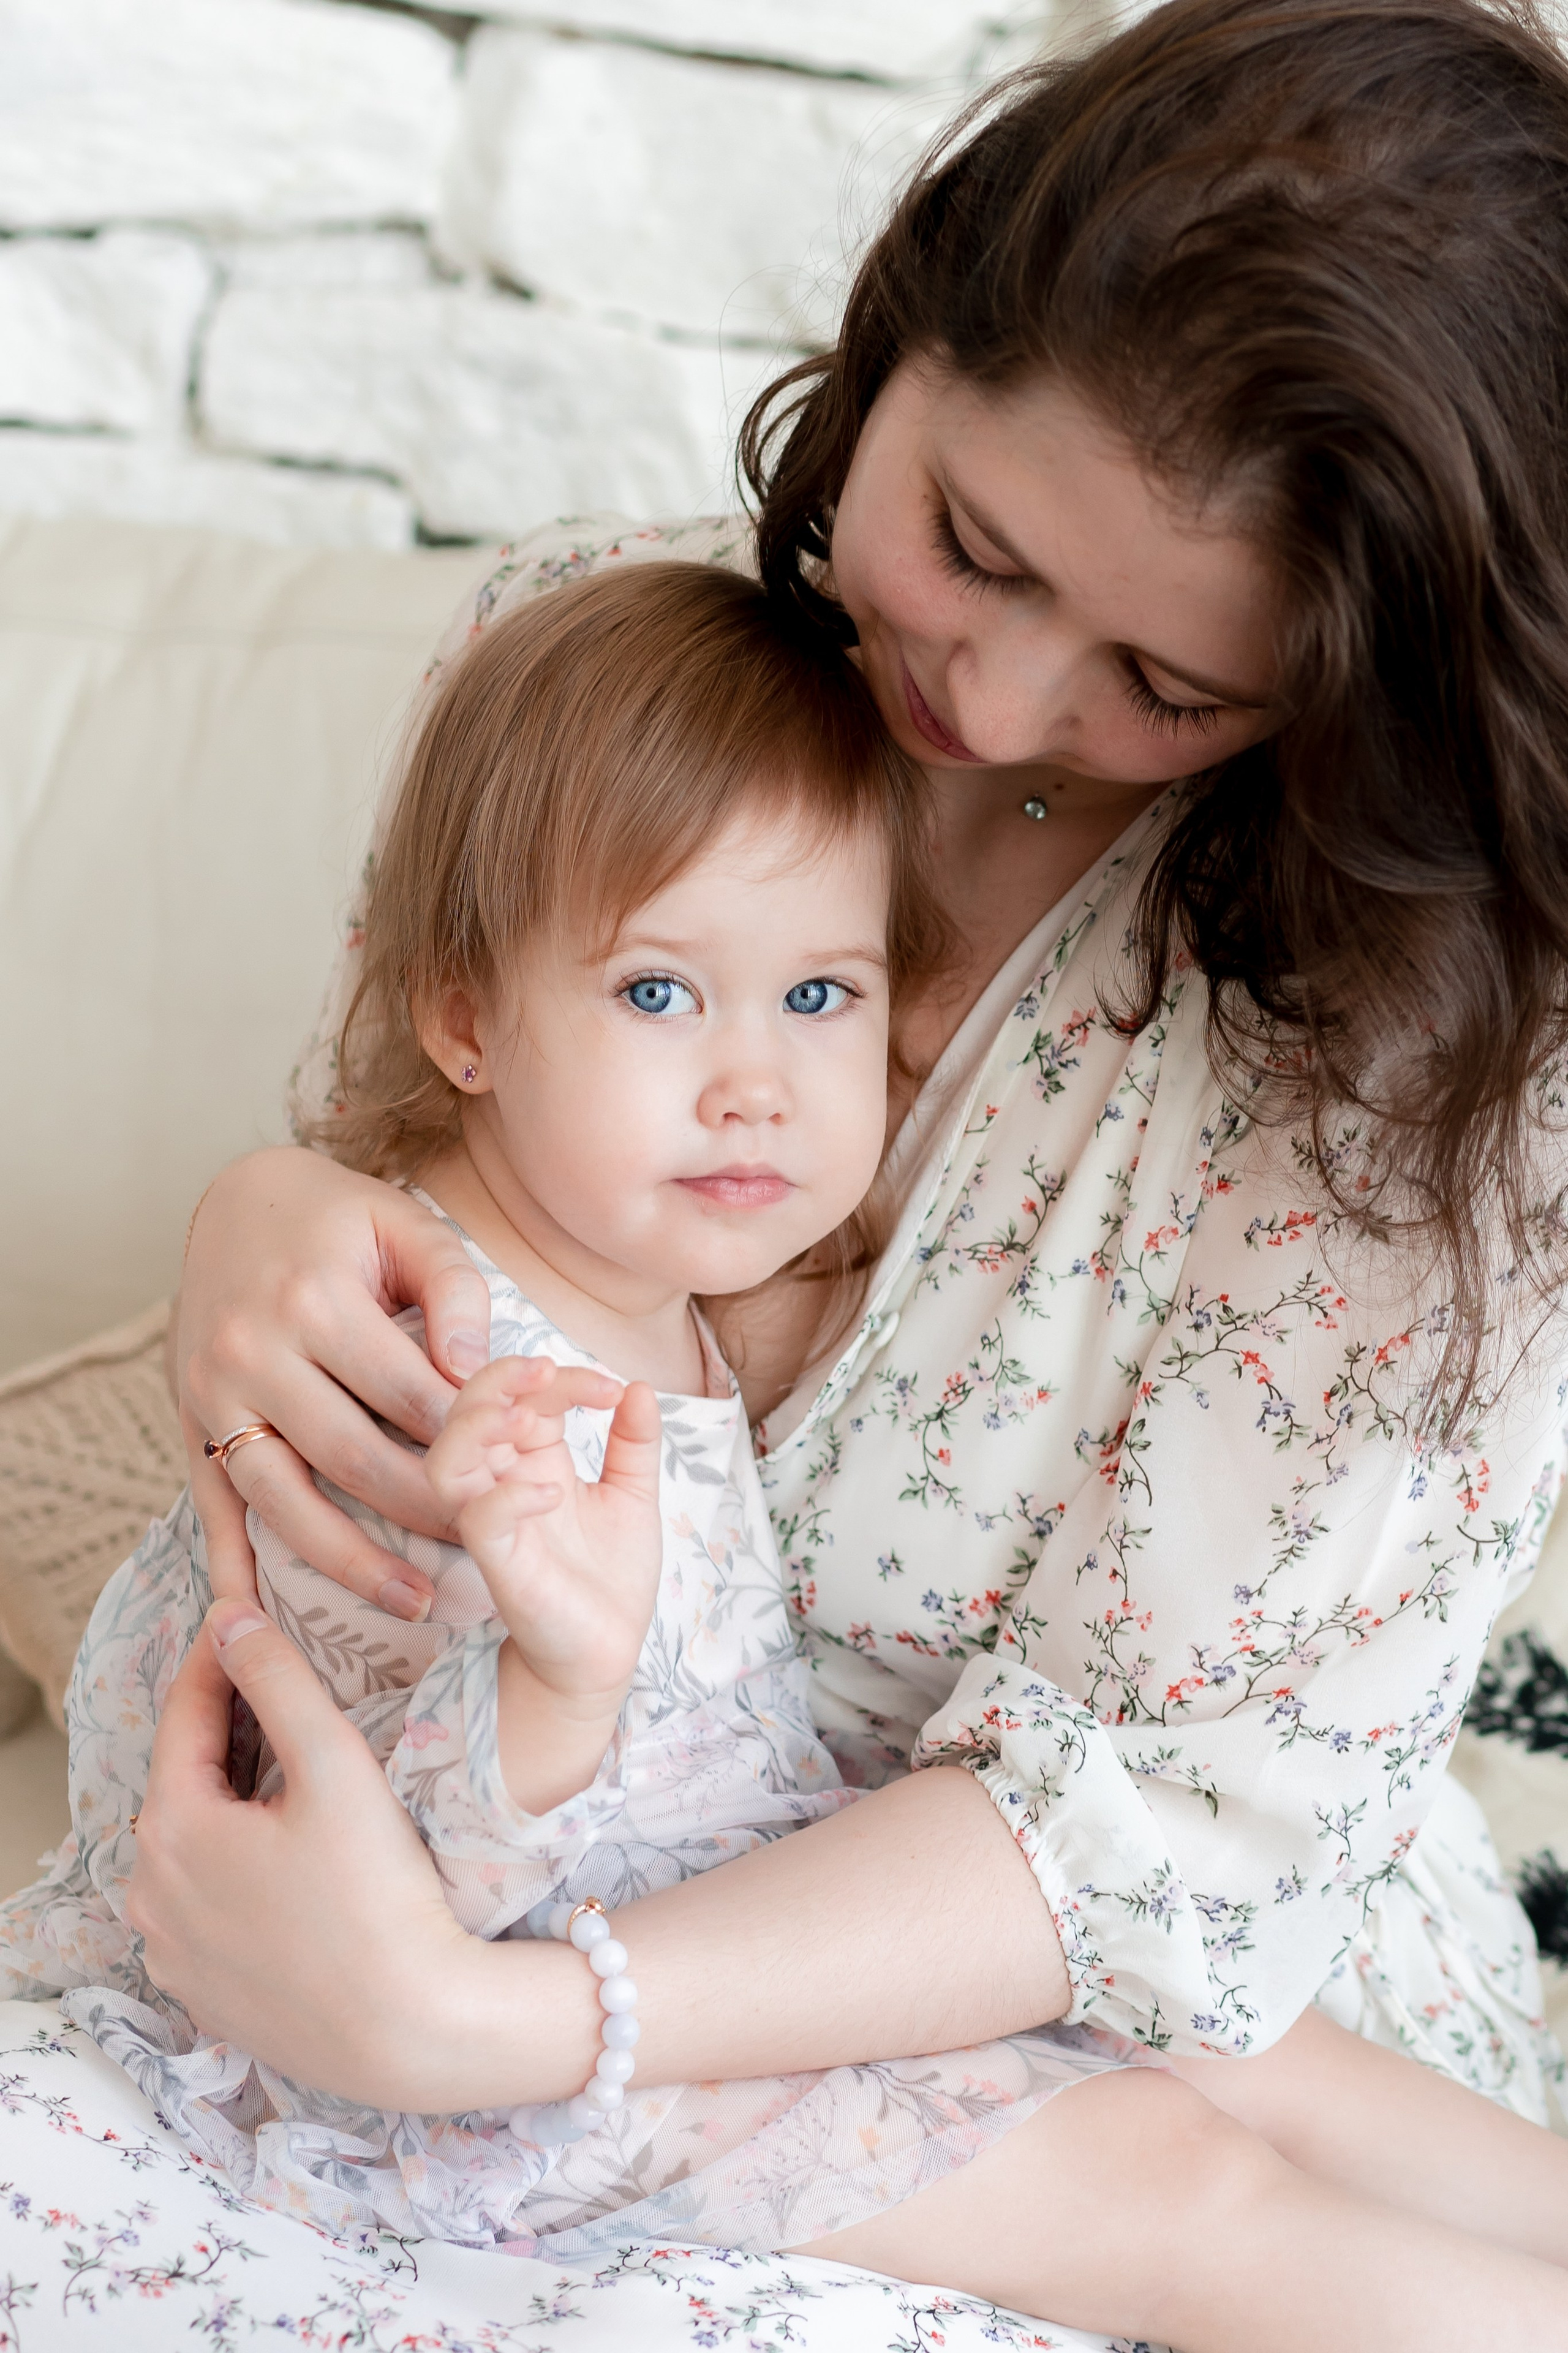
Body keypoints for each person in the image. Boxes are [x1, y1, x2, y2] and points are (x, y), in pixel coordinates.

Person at [126, 0, 1568, 2335]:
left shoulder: (1437, 1073)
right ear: (905, 329)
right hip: (561, 1808)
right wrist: (266, 1227)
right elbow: (454, 1138)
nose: (998, 710)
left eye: (1169, 687)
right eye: (972, 544)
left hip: (1099, 1971)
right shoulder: (614, 659)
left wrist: (499, 2023)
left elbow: (1155, 1861)